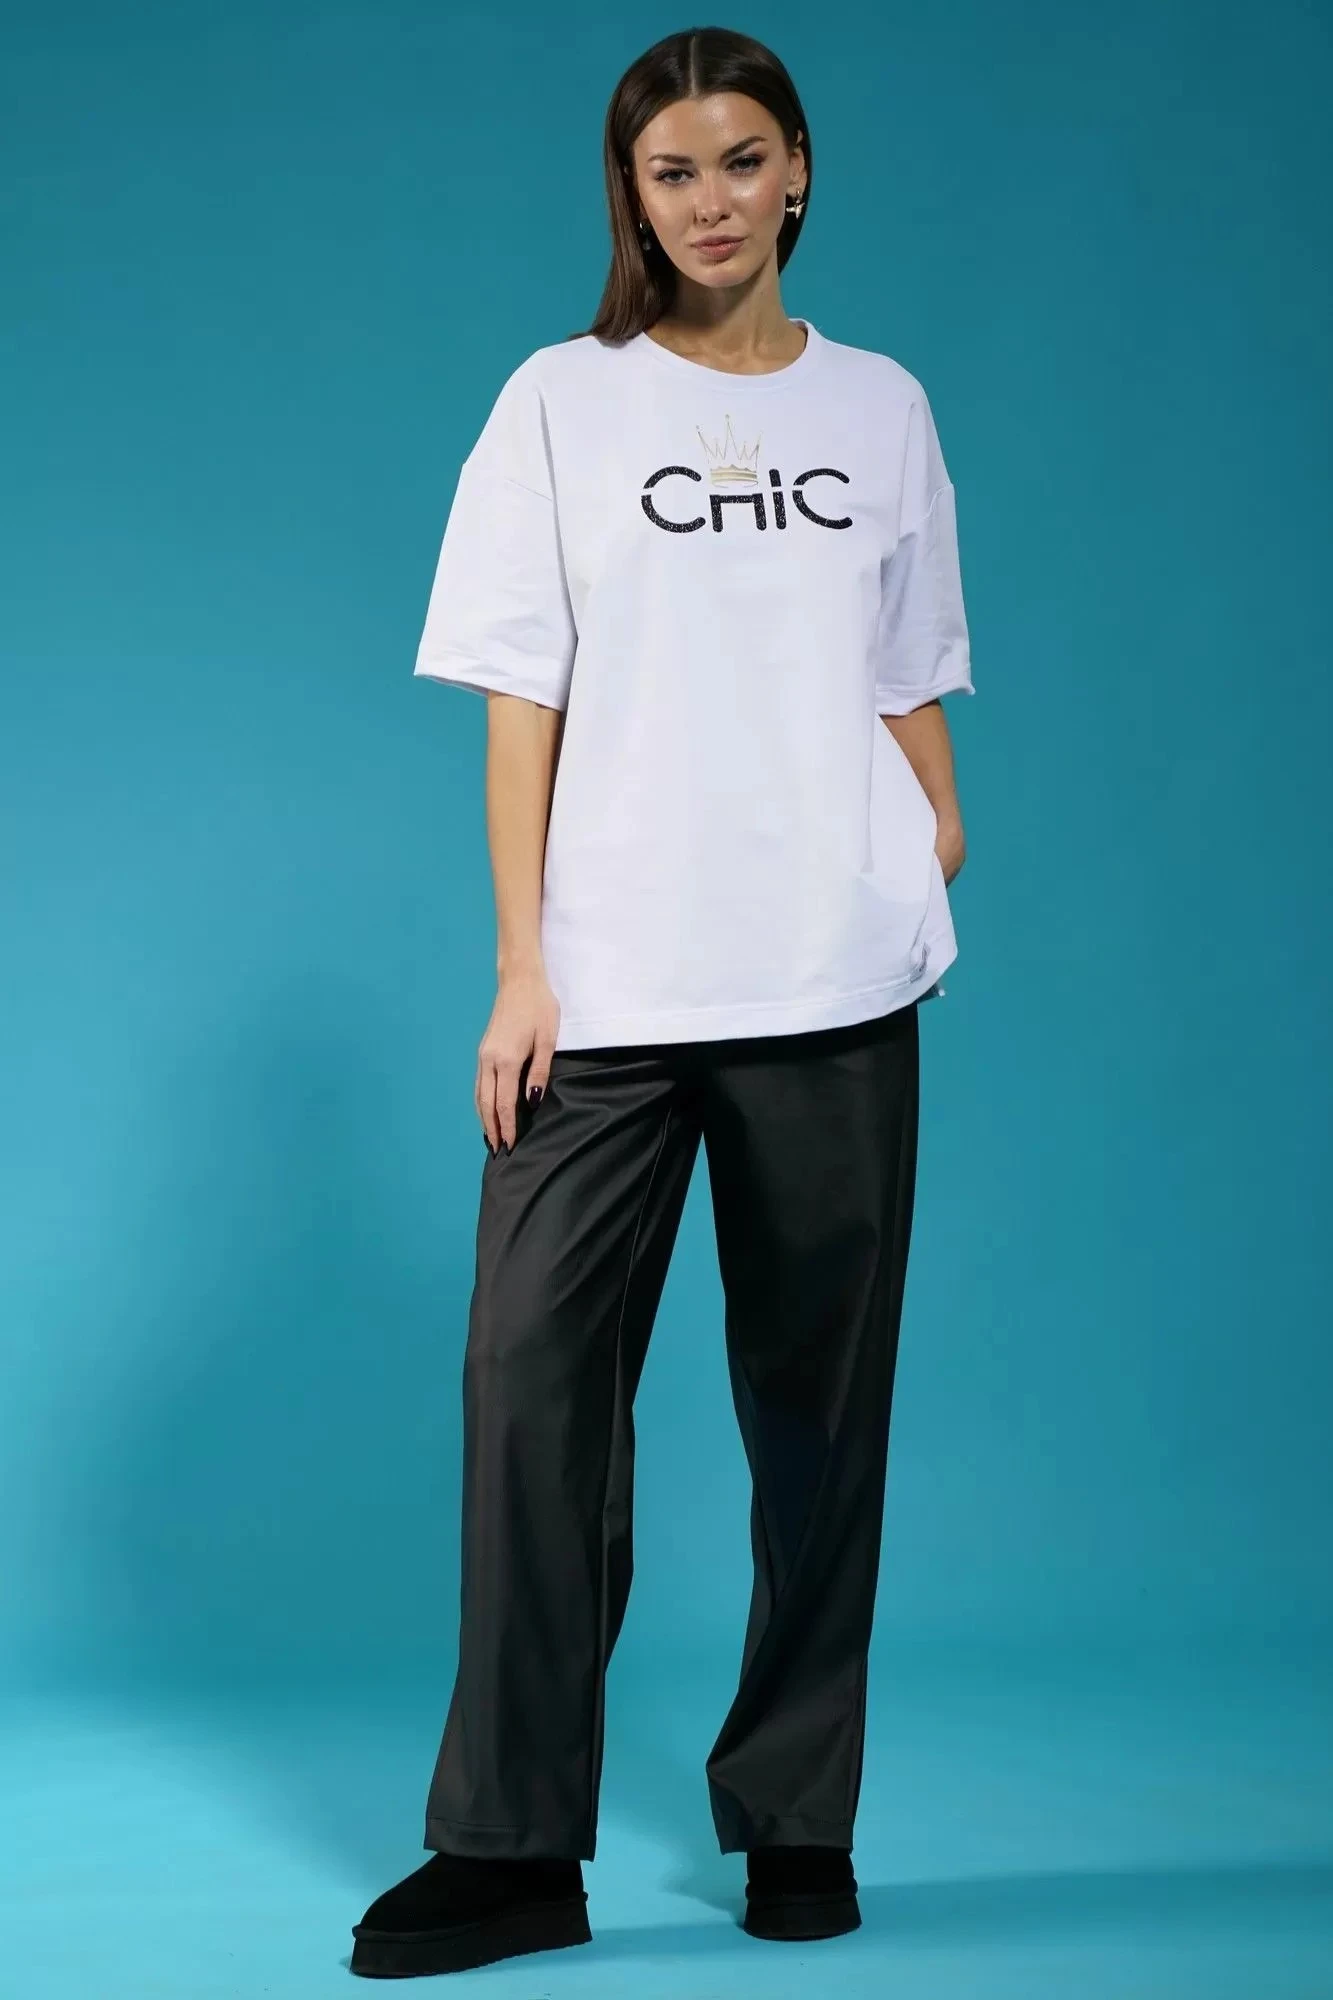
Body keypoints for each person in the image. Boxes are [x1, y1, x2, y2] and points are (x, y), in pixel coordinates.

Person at [350, 23, 973, 1981]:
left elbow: (905, 664)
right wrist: (524, 966)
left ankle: (800, 1815)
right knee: (531, 1393)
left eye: (741, 159)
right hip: (613, 985)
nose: (710, 200)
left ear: (800, 172)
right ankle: (511, 1848)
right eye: (671, 171)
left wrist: (932, 829)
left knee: (819, 1419)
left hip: (833, 982)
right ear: (631, 195)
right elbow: (518, 697)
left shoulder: (881, 405)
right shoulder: (561, 402)